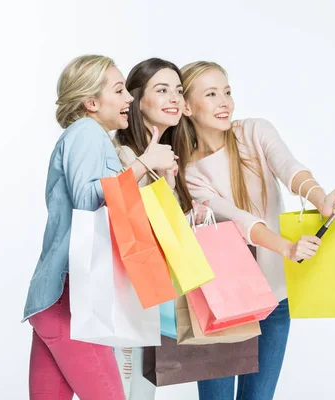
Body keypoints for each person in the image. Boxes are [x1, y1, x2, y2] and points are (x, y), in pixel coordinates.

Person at [180, 61, 335, 400]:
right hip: (222, 305)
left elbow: (290, 169)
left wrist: (322, 200)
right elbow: (240, 222)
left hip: (275, 299)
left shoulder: (254, 132)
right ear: (187, 106)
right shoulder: (189, 173)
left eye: (227, 92)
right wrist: (287, 248)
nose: (224, 102)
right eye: (211, 94)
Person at [22, 54, 175, 400]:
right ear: (91, 102)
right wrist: (143, 164)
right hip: (69, 299)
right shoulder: (86, 132)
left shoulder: (90, 137)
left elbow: (110, 203)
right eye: (119, 91)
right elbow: (86, 201)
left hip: (53, 300)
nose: (129, 99)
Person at [110, 57, 209, 399]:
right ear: (136, 100)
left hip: (153, 299)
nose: (173, 99)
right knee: (124, 390)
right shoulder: (123, 155)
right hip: (125, 297)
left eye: (178, 91)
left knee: (143, 391)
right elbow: (122, 219)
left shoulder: (171, 156)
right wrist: (150, 169)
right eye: (161, 89)